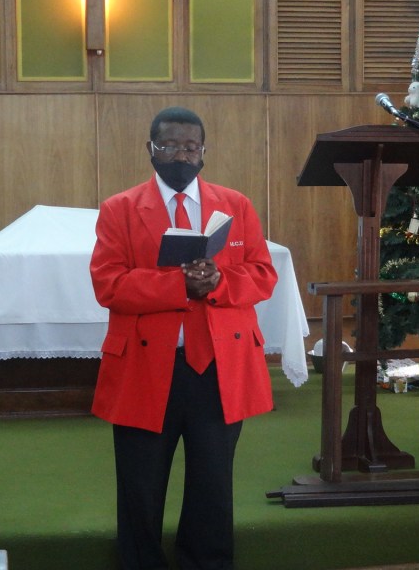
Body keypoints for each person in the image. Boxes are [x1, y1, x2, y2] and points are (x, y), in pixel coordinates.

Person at [90, 106, 277, 570]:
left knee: (213, 484)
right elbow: (108, 284)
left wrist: (218, 281)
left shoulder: (235, 205)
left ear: (203, 151)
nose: (180, 155)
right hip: (147, 368)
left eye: (190, 147)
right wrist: (179, 285)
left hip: (217, 367)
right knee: (140, 485)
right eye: (169, 146)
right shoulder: (120, 209)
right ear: (150, 149)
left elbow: (262, 274)